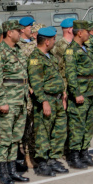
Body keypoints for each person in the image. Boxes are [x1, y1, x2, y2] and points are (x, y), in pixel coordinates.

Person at [0, 20, 31, 183]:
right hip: (8, 100)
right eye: (17, 31)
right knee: (3, 138)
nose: (20, 33)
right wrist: (1, 101)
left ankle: (12, 169)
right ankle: (2, 172)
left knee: (15, 137)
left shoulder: (18, 50)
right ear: (9, 33)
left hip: (20, 99)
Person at [28, 26, 67, 175]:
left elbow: (57, 77)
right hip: (46, 99)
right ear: (46, 42)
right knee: (43, 132)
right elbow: (36, 83)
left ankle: (53, 159)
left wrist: (62, 94)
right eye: (53, 40)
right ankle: (42, 162)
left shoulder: (51, 56)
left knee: (59, 131)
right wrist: (44, 101)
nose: (54, 42)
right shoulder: (35, 58)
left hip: (57, 99)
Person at [64, 20, 93, 167]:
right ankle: (74, 156)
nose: (89, 34)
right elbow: (70, 73)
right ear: (80, 33)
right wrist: (76, 92)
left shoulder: (85, 48)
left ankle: (84, 152)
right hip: (81, 92)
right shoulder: (71, 50)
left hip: (90, 92)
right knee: (77, 125)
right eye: (87, 31)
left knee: (87, 125)